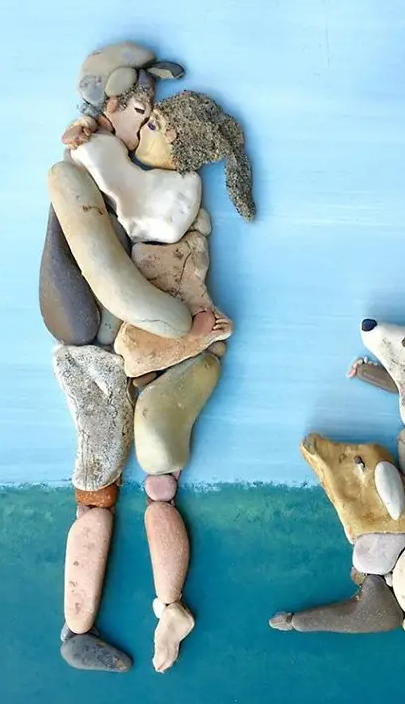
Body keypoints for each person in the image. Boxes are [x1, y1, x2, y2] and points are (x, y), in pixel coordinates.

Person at [40, 41, 254, 673]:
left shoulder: (173, 198)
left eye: (152, 120)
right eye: (142, 112)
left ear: (177, 148)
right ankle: (80, 628)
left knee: (155, 477)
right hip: (115, 352)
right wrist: (91, 135)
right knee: (106, 488)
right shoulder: (130, 177)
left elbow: (127, 199)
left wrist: (194, 334)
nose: (143, 126)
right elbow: (107, 181)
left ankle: (168, 609)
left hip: (162, 353)